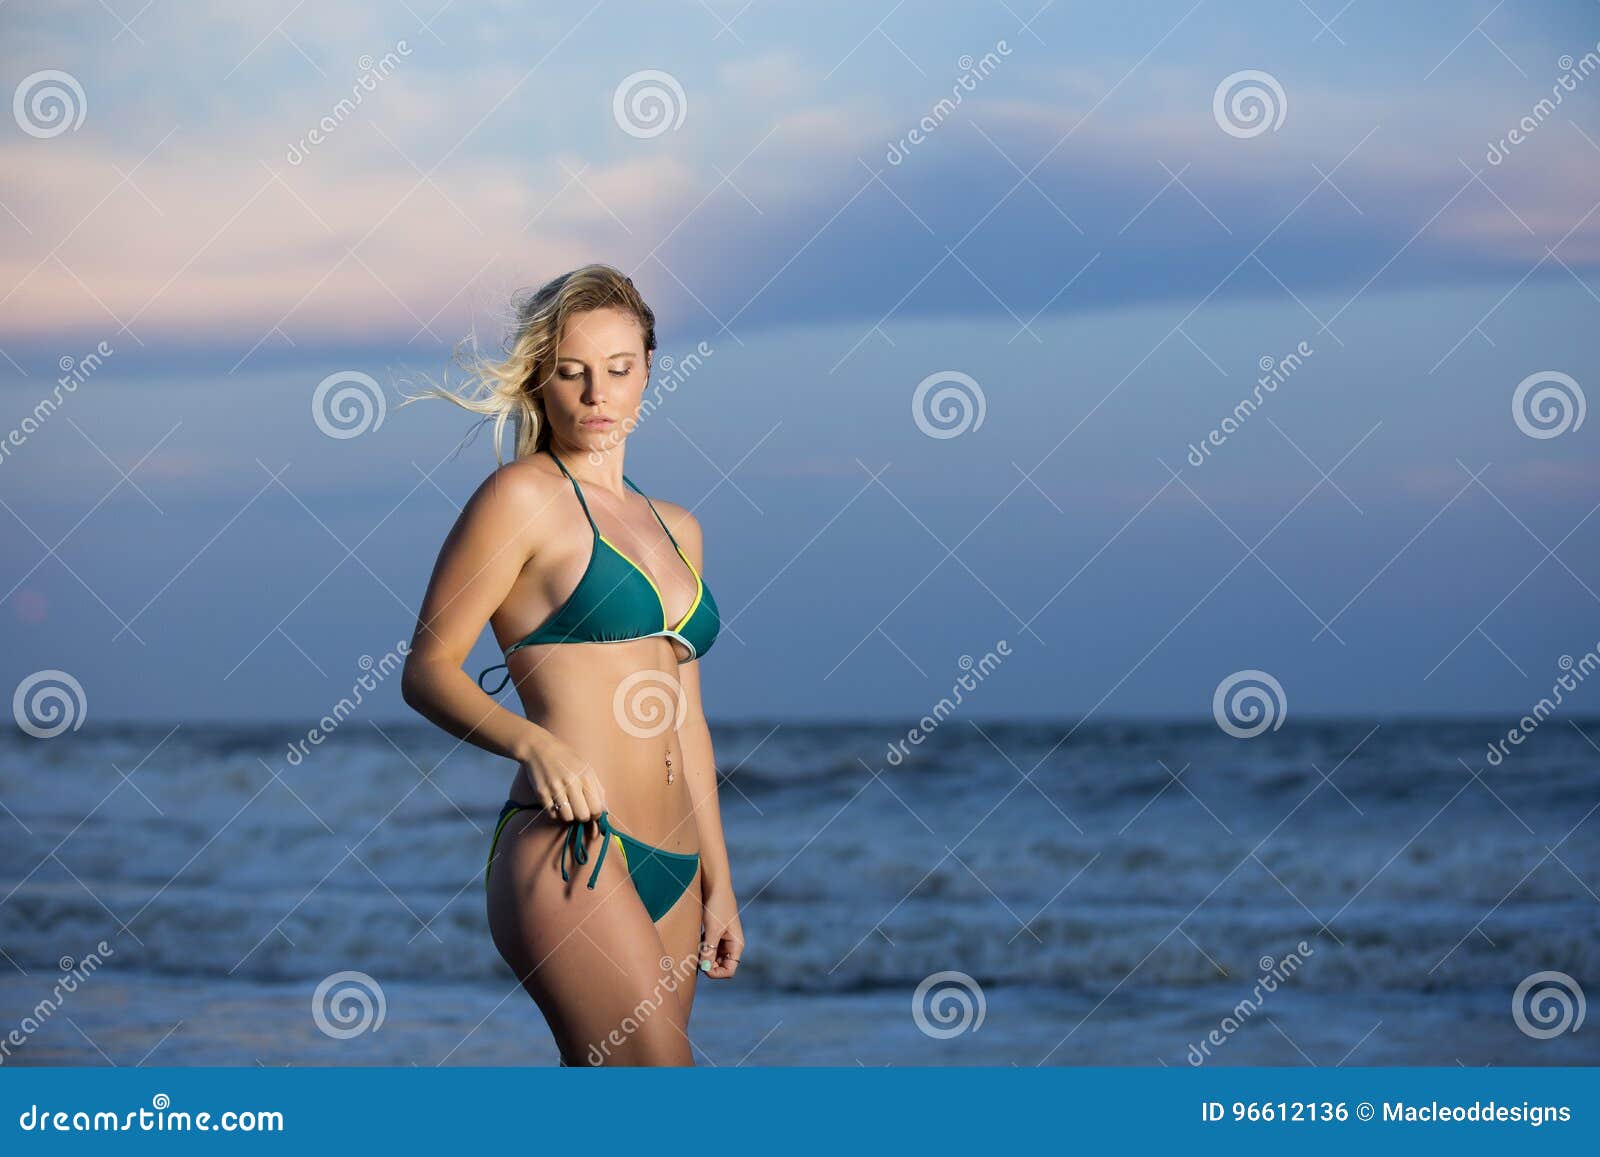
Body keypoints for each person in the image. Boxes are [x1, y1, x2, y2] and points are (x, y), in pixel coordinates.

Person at [399, 264, 744, 1065]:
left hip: (677, 863)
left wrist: (720, 880)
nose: (598, 394)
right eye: (572, 371)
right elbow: (428, 668)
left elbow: (686, 718)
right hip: (572, 847)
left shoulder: (678, 527)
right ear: (540, 381)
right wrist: (535, 744)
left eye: (619, 370)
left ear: (649, 371)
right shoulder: (520, 498)